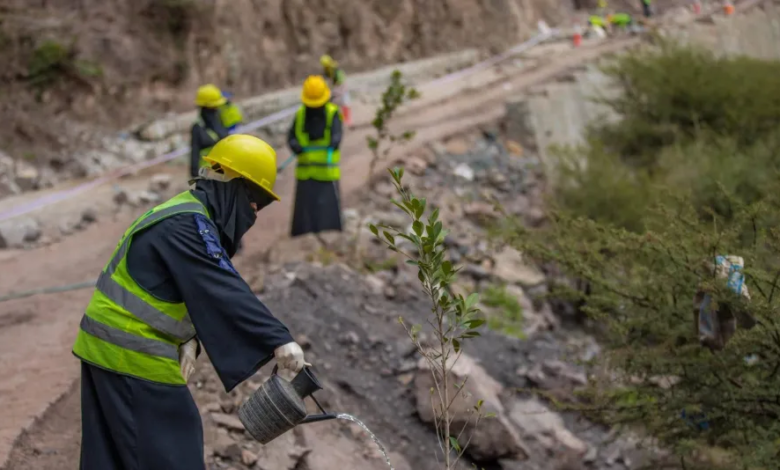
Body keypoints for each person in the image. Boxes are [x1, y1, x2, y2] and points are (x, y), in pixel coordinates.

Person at [72, 134, 307, 470]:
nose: (255, 209)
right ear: (229, 182)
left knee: (111, 457)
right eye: (253, 196)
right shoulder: (187, 225)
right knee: (174, 449)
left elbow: (179, 285)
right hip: (129, 351)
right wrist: (278, 340)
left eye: (262, 203)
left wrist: (189, 339)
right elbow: (220, 285)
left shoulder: (188, 214)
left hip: (108, 346)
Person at [287, 75, 344, 237]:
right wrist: (295, 146)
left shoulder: (333, 114)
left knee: (328, 217)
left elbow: (337, 136)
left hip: (327, 174)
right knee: (305, 217)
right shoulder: (300, 115)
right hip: (306, 175)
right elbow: (291, 136)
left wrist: (334, 141)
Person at [190, 84, 229, 179]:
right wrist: (194, 183)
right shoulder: (198, 128)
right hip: (208, 176)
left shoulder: (218, 120)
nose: (217, 109)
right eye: (215, 106)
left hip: (223, 172)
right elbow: (194, 158)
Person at [320, 54, 352, 126]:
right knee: (334, 104)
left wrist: (337, 90)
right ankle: (338, 120)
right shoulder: (327, 70)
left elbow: (341, 81)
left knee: (345, 103)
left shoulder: (335, 69)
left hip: (342, 87)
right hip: (336, 88)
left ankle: (347, 121)